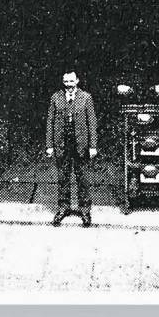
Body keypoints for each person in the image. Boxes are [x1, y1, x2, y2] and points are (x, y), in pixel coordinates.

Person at [45, 69, 97, 226]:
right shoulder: (56, 97)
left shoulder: (86, 97)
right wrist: (49, 145)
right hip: (62, 144)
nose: (69, 84)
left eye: (71, 81)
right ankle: (63, 208)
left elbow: (92, 123)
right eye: (66, 81)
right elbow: (50, 122)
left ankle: (85, 210)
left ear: (77, 81)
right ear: (63, 82)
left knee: (83, 179)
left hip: (81, 144)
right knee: (63, 178)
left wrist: (93, 146)